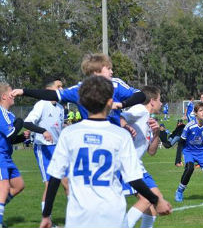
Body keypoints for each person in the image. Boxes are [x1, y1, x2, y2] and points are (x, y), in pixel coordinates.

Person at [39, 76, 171, 228]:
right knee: (145, 201)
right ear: (110, 103)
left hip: (78, 215)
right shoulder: (119, 135)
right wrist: (157, 200)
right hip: (112, 213)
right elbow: (134, 179)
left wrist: (46, 215)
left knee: (148, 207)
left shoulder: (68, 133)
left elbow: (55, 178)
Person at [12, 53, 146, 128]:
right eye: (108, 68)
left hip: (114, 137)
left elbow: (140, 95)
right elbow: (52, 94)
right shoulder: (79, 90)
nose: (112, 71)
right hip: (88, 137)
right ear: (96, 71)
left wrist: (122, 104)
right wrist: (25, 91)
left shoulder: (116, 85)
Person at [23, 77, 70, 213]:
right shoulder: (42, 104)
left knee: (67, 183)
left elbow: (59, 127)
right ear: (49, 90)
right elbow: (27, 122)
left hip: (58, 149)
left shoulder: (61, 108)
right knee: (50, 185)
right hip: (43, 148)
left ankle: (75, 219)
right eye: (59, 86)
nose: (62, 89)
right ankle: (46, 220)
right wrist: (43, 131)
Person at [122, 86, 166, 228]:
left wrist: (156, 133)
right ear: (152, 101)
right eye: (160, 100)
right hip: (126, 164)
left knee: (154, 205)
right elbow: (120, 117)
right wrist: (126, 126)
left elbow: (151, 152)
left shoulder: (148, 119)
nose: (161, 103)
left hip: (138, 165)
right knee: (148, 199)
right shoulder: (139, 110)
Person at [0, 82, 31, 227]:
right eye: (11, 93)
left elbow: (11, 139)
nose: (14, 95)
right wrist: (20, 122)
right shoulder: (0, 112)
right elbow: (12, 133)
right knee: (4, 186)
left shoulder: (10, 115)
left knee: (19, 185)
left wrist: (23, 137)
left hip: (7, 156)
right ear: (4, 96)